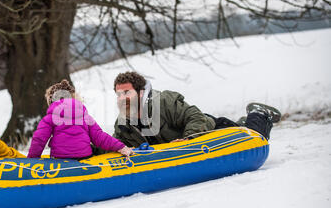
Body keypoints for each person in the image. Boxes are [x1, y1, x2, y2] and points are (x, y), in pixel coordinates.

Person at [111, 71, 281, 148]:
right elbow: (110, 145)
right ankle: (241, 123)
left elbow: (196, 117)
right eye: (118, 94)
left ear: (141, 93)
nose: (121, 98)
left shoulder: (164, 102)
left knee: (255, 140)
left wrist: (187, 140)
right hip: (181, 154)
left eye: (126, 92)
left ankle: (258, 113)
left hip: (211, 129)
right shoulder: (123, 124)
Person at [28, 79, 134, 160]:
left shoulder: (50, 118)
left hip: (61, 159)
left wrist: (32, 160)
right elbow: (99, 136)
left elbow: (39, 139)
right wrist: (121, 147)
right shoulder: (84, 116)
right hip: (84, 157)